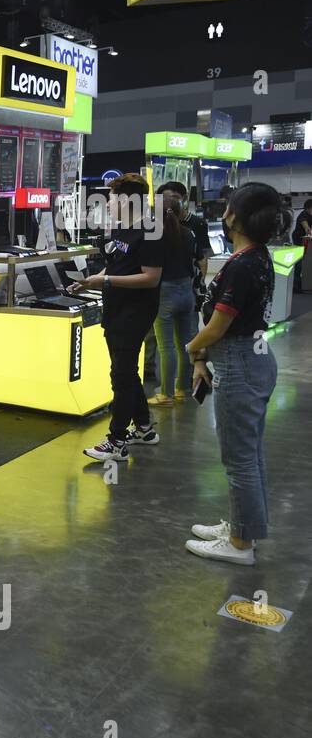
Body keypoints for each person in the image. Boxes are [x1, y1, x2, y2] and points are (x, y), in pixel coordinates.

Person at [184, 183, 282, 566]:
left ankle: (240, 545)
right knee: (249, 455)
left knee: (239, 459)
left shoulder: (242, 265)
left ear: (235, 217)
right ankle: (243, 529)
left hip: (238, 365)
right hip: (252, 359)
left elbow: (217, 326)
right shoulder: (254, 257)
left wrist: (193, 348)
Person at [78, 173, 164, 462]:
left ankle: (116, 441)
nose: (110, 203)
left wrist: (108, 281)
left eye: (113, 198)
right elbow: (115, 267)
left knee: (121, 376)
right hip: (114, 309)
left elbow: (151, 278)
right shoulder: (120, 229)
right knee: (126, 371)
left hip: (135, 312)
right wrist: (92, 280)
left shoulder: (151, 231)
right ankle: (143, 427)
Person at [148, 187, 202, 406]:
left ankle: (165, 395)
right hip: (186, 291)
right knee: (185, 345)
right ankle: (182, 389)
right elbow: (197, 261)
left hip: (164, 293)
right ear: (180, 212)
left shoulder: (154, 234)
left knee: (165, 347)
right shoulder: (188, 234)